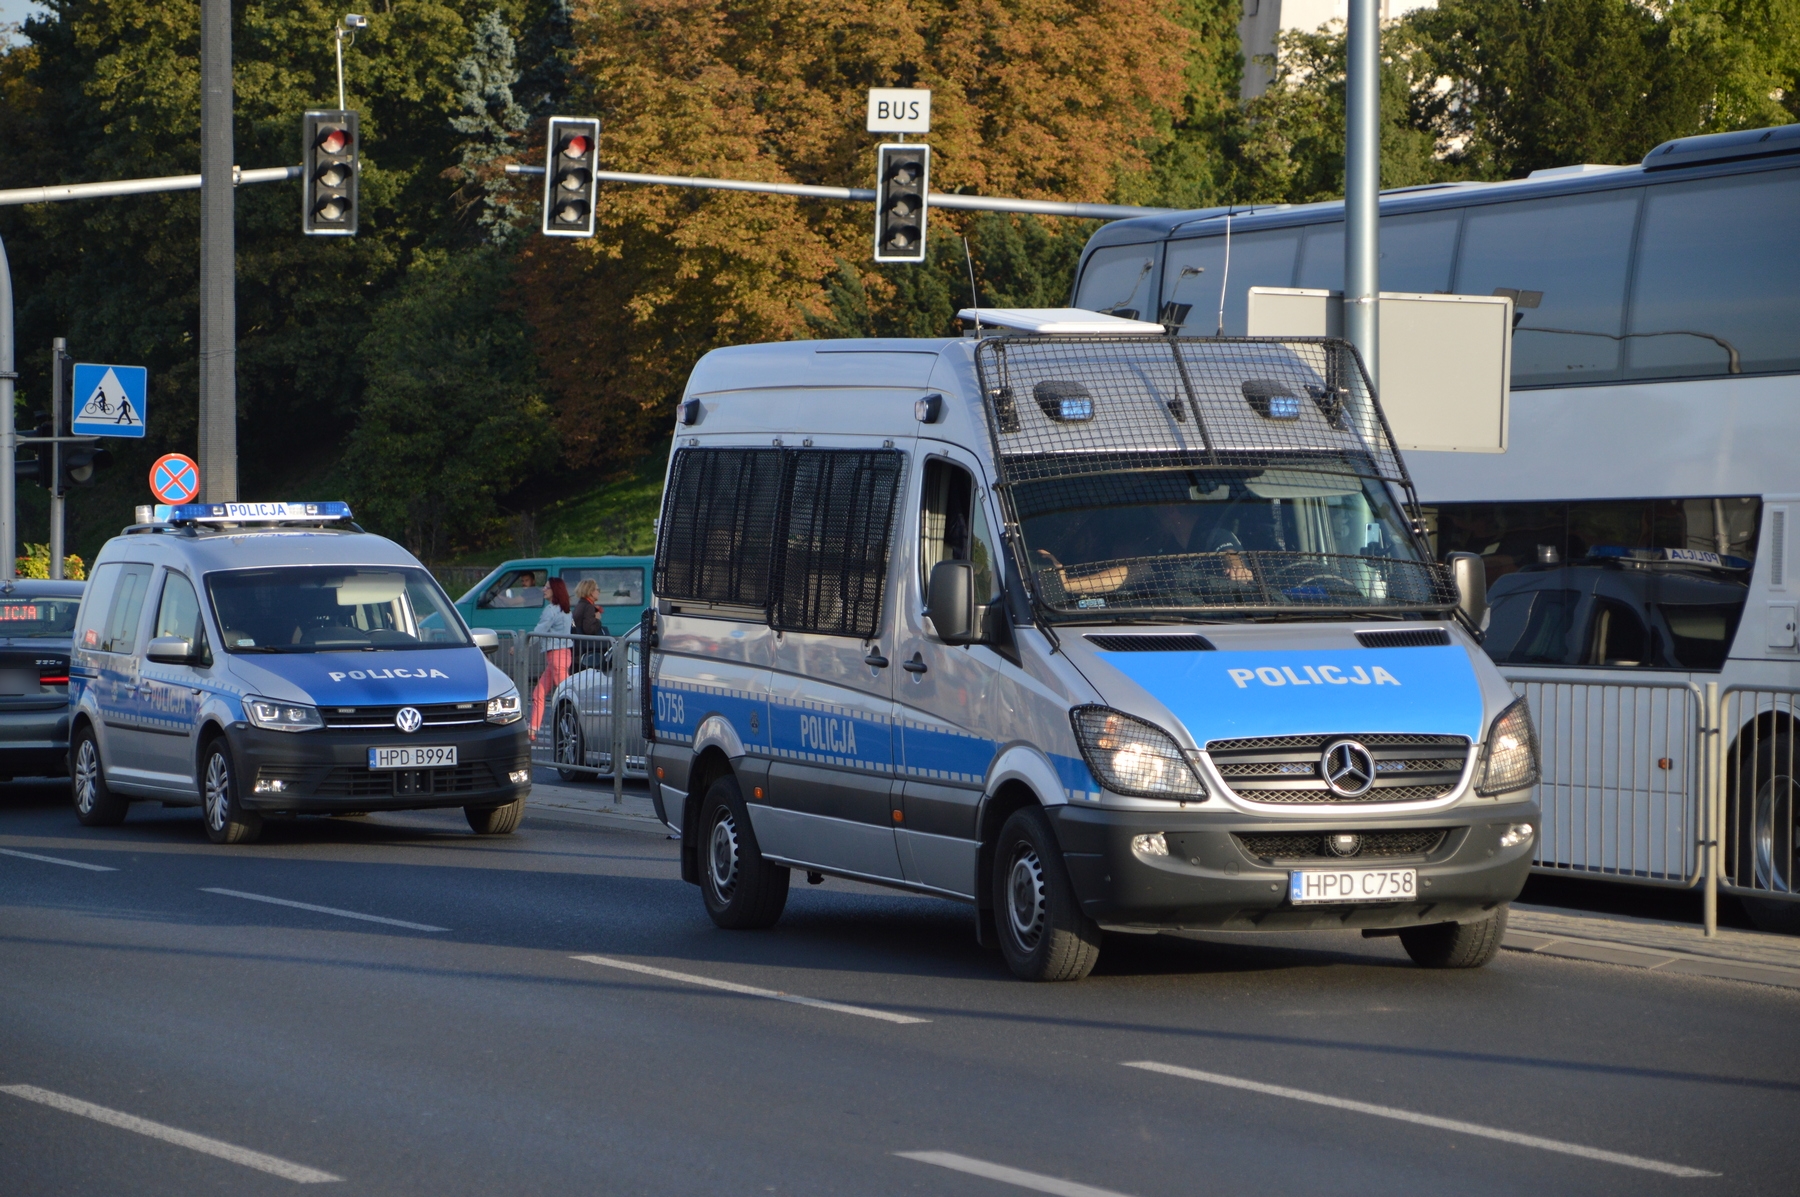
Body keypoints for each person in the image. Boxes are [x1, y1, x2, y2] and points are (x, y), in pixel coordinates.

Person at [529, 577, 573, 740]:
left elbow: (539, 631)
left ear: (555, 590)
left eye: (547, 587)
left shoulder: (551, 610)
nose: (543, 589)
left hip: (556, 656)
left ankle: (573, 729)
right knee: (539, 692)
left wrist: (521, 645)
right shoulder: (565, 610)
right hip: (562, 654)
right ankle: (532, 729)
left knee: (567, 696)